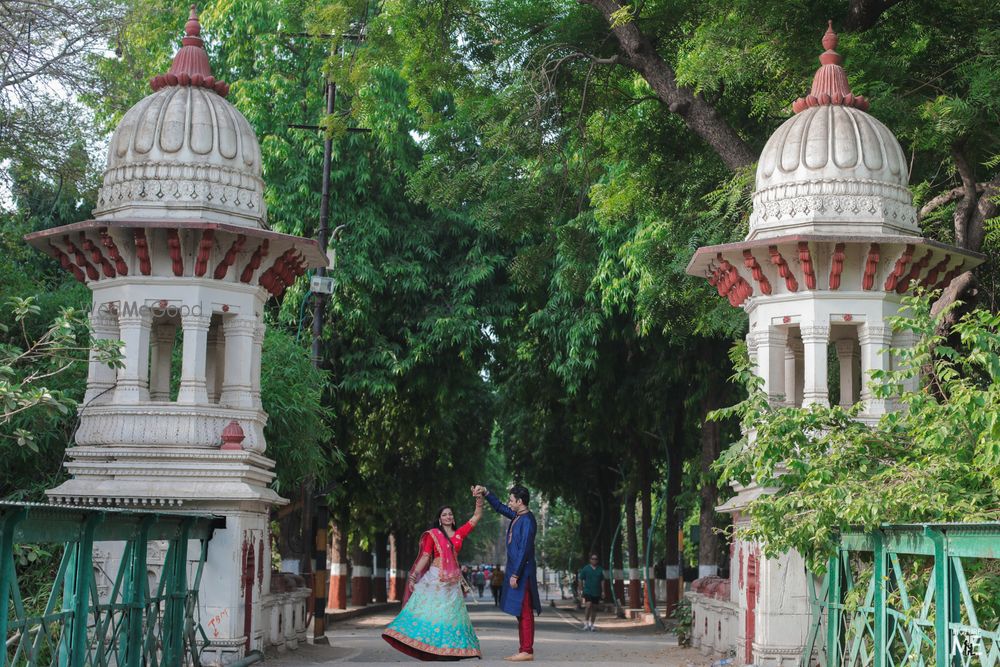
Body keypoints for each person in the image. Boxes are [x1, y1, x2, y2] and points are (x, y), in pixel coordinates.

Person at [382, 498, 484, 660]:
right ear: (440, 519)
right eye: (445, 514)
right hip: (435, 578)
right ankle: (430, 647)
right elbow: (425, 556)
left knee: (451, 614)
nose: (448, 517)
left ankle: (451, 649)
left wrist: (479, 498)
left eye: (450, 514)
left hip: (452, 582)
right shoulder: (433, 535)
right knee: (432, 612)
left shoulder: (459, 534)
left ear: (453, 518)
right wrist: (414, 575)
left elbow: (476, 516)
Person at [473, 484, 540, 662]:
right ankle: (523, 649)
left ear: (520, 501)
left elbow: (525, 549)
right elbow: (499, 507)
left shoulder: (527, 521)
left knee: (525, 610)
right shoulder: (517, 516)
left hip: (523, 572)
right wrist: (486, 493)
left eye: (511, 500)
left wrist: (516, 574)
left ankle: (527, 650)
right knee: (520, 611)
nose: (509, 503)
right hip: (516, 570)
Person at [577, 554, 605, 631]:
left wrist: (603, 591)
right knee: (588, 605)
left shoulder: (600, 569)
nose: (594, 560)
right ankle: (586, 623)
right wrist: (580, 590)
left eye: (596, 559)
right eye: (593, 559)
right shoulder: (586, 569)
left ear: (597, 560)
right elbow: (580, 579)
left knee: (594, 608)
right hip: (587, 591)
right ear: (590, 560)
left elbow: (602, 581)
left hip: (597, 591)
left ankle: (592, 624)